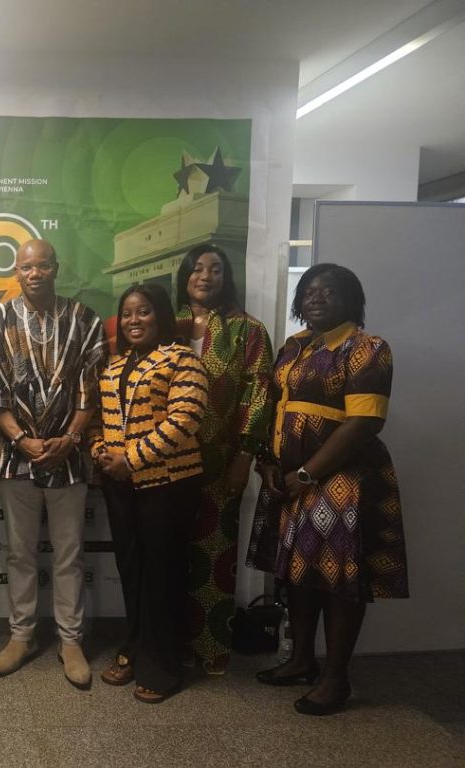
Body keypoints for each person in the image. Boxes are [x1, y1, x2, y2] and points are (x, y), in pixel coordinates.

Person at [247, 263, 408, 716]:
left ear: (351, 299)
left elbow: (364, 422)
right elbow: (273, 407)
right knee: (297, 574)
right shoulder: (294, 347)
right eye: (309, 291)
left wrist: (306, 474)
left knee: (340, 581)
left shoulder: (366, 348)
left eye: (329, 291)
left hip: (341, 481)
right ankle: (302, 660)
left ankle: (336, 679)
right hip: (289, 480)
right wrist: (267, 463)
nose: (316, 297)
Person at [0, 238, 107, 689]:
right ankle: (21, 636)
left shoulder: (84, 319)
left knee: (69, 552)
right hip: (13, 454)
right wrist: (21, 438)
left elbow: (94, 386)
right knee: (19, 551)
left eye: (43, 266)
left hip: (69, 454)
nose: (35, 274)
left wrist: (71, 437)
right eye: (26, 267)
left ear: (56, 268)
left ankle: (71, 640)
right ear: (16, 272)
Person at [88, 283, 209, 703]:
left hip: (168, 485)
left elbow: (185, 419)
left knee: (163, 574)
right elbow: (99, 421)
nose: (134, 320)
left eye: (143, 312)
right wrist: (101, 452)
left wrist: (132, 458)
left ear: (160, 314)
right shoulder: (114, 365)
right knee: (133, 571)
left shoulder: (182, 359)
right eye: (127, 313)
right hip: (121, 486)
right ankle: (136, 645)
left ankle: (163, 665)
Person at [172, 245, 273, 675]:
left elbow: (259, 394)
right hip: (166, 460)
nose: (205, 276)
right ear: (184, 277)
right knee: (168, 554)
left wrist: (245, 457)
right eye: (196, 269)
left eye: (215, 269)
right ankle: (169, 645)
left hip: (221, 461)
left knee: (214, 555)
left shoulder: (248, 330)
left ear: (226, 278)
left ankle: (211, 646)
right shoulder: (167, 324)